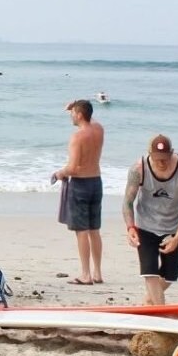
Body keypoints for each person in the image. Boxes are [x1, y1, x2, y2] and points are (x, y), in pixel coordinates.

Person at [122, 134, 178, 305]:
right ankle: (161, 313)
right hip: (145, 225)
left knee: (170, 276)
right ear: (149, 154)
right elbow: (127, 201)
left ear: (172, 153)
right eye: (157, 159)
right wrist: (131, 228)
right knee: (150, 273)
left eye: (165, 159)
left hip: (172, 228)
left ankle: (148, 304)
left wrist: (177, 237)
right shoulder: (138, 168)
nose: (162, 163)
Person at [52, 99, 105, 285]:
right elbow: (91, 119)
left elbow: (73, 168)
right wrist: (74, 108)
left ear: (80, 115)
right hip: (96, 182)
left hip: (80, 185)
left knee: (81, 231)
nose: (71, 116)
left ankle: (86, 274)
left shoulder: (77, 137)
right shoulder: (98, 129)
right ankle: (97, 273)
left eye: (73, 113)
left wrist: (59, 173)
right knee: (94, 230)